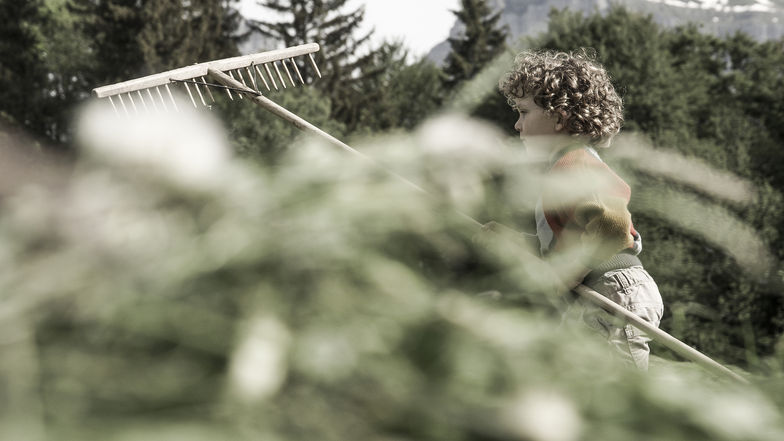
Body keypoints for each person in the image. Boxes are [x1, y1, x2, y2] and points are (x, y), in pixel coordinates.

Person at [496, 48, 664, 370]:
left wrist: (565, 274)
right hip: (601, 290)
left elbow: (610, 223)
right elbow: (567, 235)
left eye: (523, 112)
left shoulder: (575, 164)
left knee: (616, 394)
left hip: (615, 290)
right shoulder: (562, 168)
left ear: (558, 117)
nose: (517, 125)